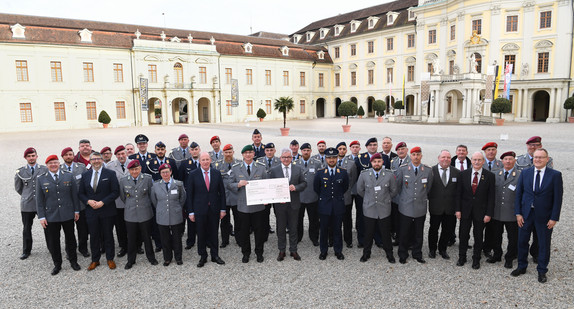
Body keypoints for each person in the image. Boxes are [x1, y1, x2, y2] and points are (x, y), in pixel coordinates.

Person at [512, 148, 563, 283]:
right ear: (532, 159)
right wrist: (518, 213)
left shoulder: (555, 175)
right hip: (526, 214)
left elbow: (558, 199)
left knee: (543, 244)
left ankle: (542, 270)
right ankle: (522, 266)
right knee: (522, 241)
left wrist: (554, 218)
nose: (538, 160)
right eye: (536, 157)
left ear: (547, 159)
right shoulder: (525, 173)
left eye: (541, 157)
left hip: (545, 216)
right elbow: (519, 194)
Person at [36, 155, 81, 275]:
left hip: (68, 213)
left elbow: (74, 196)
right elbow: (39, 201)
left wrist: (76, 211)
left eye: (55, 162)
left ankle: (73, 261)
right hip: (51, 215)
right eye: (50, 163)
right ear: (47, 165)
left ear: (59, 163)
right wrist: (41, 217)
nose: (53, 165)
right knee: (53, 241)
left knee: (70, 239)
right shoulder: (41, 179)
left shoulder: (68, 175)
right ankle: (57, 264)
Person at [78, 152, 120, 271]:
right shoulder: (85, 175)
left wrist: (103, 202)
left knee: (108, 234)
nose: (96, 161)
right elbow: (81, 193)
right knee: (94, 235)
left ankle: (110, 258)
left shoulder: (110, 174)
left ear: (102, 160)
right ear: (90, 161)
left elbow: (115, 191)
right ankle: (95, 260)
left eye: (98, 159)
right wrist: (88, 201)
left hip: (106, 209)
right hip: (91, 210)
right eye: (93, 159)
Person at [515, 136, 553, 262]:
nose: (533, 147)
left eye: (536, 145)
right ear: (527, 146)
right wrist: (518, 211)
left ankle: (536, 254)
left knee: (539, 237)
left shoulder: (548, 160)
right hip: (526, 206)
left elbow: (549, 185)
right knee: (523, 237)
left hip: (541, 207)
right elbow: (518, 187)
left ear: (540, 146)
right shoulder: (519, 160)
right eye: (530, 145)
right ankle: (522, 262)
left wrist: (554, 216)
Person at [228, 145, 268, 263]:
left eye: (250, 152)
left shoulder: (261, 167)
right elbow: (229, 184)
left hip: (258, 206)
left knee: (259, 231)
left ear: (253, 154)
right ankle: (246, 253)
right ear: (242, 155)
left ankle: (259, 253)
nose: (248, 155)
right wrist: (238, 185)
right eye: (246, 153)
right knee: (244, 232)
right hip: (243, 206)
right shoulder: (235, 168)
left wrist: (266, 198)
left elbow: (266, 184)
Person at [455, 152, 495, 270]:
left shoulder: (489, 176)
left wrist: (489, 213)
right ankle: (462, 257)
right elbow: (458, 194)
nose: (477, 162)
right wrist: (457, 210)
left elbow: (491, 197)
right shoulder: (463, 174)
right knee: (463, 235)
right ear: (471, 161)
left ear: (483, 161)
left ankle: (476, 259)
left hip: (481, 212)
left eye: (479, 160)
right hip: (465, 211)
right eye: (474, 160)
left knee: (478, 236)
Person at [187, 152, 227, 267]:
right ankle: (203, 256)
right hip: (199, 209)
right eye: (203, 160)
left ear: (210, 161)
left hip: (214, 209)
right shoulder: (193, 174)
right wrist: (191, 212)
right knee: (201, 233)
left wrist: (223, 209)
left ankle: (215, 255)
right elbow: (189, 195)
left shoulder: (216, 173)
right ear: (199, 161)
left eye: (207, 159)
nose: (205, 162)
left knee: (214, 232)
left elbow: (222, 193)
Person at [356, 153, 398, 263]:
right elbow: (360, 190)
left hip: (384, 209)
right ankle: (366, 253)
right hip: (369, 209)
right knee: (368, 233)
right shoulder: (364, 174)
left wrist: (385, 199)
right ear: (371, 163)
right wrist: (369, 199)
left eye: (379, 161)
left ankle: (389, 254)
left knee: (385, 233)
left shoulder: (389, 174)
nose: (377, 163)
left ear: (382, 162)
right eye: (374, 162)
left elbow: (394, 191)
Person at [396, 146, 433, 264]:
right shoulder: (402, 169)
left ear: (421, 156)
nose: (416, 157)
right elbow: (398, 187)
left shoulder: (427, 170)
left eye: (418, 154)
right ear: (410, 156)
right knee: (404, 232)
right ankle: (403, 253)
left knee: (418, 233)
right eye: (414, 154)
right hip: (405, 206)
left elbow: (429, 188)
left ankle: (417, 253)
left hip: (420, 206)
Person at [270, 149, 307, 261]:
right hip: (280, 205)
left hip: (294, 203)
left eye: (288, 157)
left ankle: (293, 250)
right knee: (280, 228)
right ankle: (282, 250)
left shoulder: (298, 169)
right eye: (284, 157)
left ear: (292, 158)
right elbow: (270, 186)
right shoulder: (274, 170)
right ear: (280, 158)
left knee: (293, 227)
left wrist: (296, 187)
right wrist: (276, 197)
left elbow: (304, 183)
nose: (286, 159)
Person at [314, 147, 349, 261]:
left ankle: (338, 251)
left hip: (338, 206)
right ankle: (323, 251)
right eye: (329, 158)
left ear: (337, 158)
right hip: (324, 206)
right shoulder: (320, 173)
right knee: (323, 230)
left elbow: (345, 187)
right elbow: (316, 189)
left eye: (334, 157)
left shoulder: (343, 172)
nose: (331, 160)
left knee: (337, 230)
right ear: (326, 159)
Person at [14, 147, 48, 260]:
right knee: (27, 228)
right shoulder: (20, 171)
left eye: (33, 155)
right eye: (29, 156)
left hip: (42, 203)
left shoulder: (44, 169)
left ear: (37, 156)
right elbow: (19, 188)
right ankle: (26, 251)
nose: (31, 158)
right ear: (25, 158)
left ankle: (51, 247)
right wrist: (27, 196)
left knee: (48, 226)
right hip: (27, 204)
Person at [150, 163, 186, 266]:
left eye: (167, 172)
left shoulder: (178, 184)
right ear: (160, 174)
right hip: (162, 215)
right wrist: (161, 208)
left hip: (175, 214)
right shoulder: (155, 185)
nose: (165, 174)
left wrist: (177, 207)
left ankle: (178, 258)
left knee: (177, 238)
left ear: (170, 172)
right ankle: (167, 258)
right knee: (164, 238)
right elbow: (154, 200)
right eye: (163, 172)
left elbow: (182, 198)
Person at [427, 150, 460, 260]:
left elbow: (458, 192)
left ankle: (442, 249)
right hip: (436, 207)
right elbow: (427, 189)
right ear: (438, 158)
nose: (446, 159)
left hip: (450, 208)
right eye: (443, 157)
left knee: (447, 230)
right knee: (433, 229)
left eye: (448, 157)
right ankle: (432, 249)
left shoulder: (456, 172)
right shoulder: (431, 171)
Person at [491, 151, 520, 269]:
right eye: (506, 159)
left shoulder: (520, 175)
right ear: (501, 161)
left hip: (512, 212)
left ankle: (510, 257)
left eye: (510, 159)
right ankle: (497, 254)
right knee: (496, 236)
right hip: (497, 212)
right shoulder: (495, 174)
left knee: (513, 237)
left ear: (515, 161)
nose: (508, 161)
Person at [60, 147, 89, 257]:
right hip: (66, 205)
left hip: (80, 204)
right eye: (66, 155)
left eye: (70, 154)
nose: (68, 156)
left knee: (83, 229)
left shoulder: (81, 167)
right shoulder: (59, 169)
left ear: (73, 156)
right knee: (69, 231)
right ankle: (70, 250)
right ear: (62, 157)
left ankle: (83, 248)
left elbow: (86, 183)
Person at [214, 144, 241, 247]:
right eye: (226, 152)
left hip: (236, 196)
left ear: (233, 152)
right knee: (224, 220)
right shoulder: (217, 165)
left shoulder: (239, 163)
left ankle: (239, 239)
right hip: (223, 197)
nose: (228, 154)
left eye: (230, 152)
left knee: (238, 219)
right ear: (223, 153)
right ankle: (225, 240)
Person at [105, 145, 131, 257]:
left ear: (126, 154)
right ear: (115, 156)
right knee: (120, 226)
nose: (121, 156)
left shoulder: (134, 163)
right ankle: (123, 246)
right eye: (118, 154)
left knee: (134, 224)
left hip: (132, 200)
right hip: (118, 201)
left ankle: (137, 245)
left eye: (123, 154)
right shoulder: (110, 166)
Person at [295, 143, 322, 246]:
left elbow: (320, 180)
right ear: (301, 152)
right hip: (299, 197)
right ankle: (298, 237)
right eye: (304, 150)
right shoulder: (295, 163)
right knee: (298, 219)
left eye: (308, 150)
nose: (306, 152)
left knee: (314, 220)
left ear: (311, 151)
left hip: (313, 196)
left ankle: (314, 237)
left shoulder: (317, 163)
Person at [178, 141, 201, 250]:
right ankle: (190, 241)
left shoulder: (204, 162)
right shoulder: (184, 164)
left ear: (199, 150)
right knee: (191, 219)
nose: (194, 151)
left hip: (202, 196)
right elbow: (180, 180)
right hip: (189, 196)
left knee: (202, 218)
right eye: (192, 149)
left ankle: (204, 239)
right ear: (189, 151)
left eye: (196, 149)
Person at [336, 142, 358, 248]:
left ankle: (348, 240)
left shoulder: (351, 163)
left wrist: (346, 188)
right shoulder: (331, 161)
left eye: (344, 149)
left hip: (346, 196)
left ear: (346, 151)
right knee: (335, 220)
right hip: (334, 196)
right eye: (339, 149)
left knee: (347, 219)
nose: (342, 150)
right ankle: (334, 239)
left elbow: (353, 179)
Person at [449, 144, 471, 246]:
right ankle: (451, 237)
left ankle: (464, 240)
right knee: (451, 219)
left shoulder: (471, 163)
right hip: (453, 195)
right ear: (456, 152)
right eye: (459, 150)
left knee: (466, 220)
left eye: (463, 151)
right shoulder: (450, 163)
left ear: (467, 153)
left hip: (467, 196)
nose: (461, 152)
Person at [257, 142, 279, 238]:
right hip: (265, 192)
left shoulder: (280, 161)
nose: (269, 152)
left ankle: (280, 233)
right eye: (267, 150)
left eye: (271, 150)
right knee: (264, 214)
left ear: (274, 150)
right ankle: (264, 234)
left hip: (276, 192)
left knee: (278, 213)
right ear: (264, 151)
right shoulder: (259, 161)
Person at [389, 142, 410, 245]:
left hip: (407, 196)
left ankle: (406, 240)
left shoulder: (411, 161)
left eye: (403, 149)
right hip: (396, 196)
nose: (401, 151)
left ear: (407, 150)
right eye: (399, 150)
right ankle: (398, 239)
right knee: (396, 219)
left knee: (406, 220)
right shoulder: (394, 161)